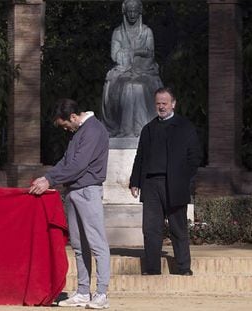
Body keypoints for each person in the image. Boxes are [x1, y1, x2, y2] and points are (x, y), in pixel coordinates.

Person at [29, 98, 110, 309]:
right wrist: (47, 177)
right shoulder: (79, 133)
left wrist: (50, 180)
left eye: (65, 125)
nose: (66, 129)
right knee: (79, 245)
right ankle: (83, 291)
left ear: (73, 117)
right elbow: (66, 162)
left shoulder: (93, 130)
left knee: (97, 243)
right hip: (74, 191)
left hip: (88, 190)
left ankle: (101, 293)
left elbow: (79, 165)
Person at [129, 87, 202, 275]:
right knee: (151, 229)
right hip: (151, 185)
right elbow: (140, 156)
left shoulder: (185, 127)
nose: (161, 107)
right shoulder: (148, 129)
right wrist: (135, 181)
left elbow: (195, 157)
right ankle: (152, 269)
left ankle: (184, 268)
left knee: (178, 228)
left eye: (165, 103)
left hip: (175, 185)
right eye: (158, 103)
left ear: (173, 104)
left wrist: (184, 179)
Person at [102, 0, 163, 137]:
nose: (132, 14)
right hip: (123, 71)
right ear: (125, 12)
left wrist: (132, 52)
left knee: (138, 87)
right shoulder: (118, 32)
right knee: (128, 86)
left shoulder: (147, 32)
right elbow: (114, 55)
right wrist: (129, 54)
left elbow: (150, 53)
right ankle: (126, 130)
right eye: (129, 11)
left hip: (145, 71)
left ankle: (142, 130)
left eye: (135, 11)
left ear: (139, 11)